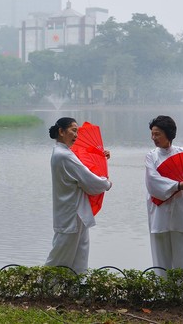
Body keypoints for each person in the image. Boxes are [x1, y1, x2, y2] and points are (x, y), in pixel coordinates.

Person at [45, 117, 113, 274]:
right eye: (73, 130)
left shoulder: (64, 152)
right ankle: (44, 289)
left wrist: (100, 157)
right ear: (61, 132)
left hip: (76, 213)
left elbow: (83, 164)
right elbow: (88, 178)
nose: (76, 134)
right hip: (70, 214)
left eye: (77, 131)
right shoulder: (64, 155)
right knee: (59, 258)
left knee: (79, 256)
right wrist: (106, 184)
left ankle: (75, 290)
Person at [145, 115, 183, 274]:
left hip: (182, 213)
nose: (154, 138)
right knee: (162, 258)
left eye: (157, 134)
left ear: (169, 133)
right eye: (152, 134)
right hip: (160, 214)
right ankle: (163, 294)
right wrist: (177, 185)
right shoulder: (151, 156)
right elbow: (153, 182)